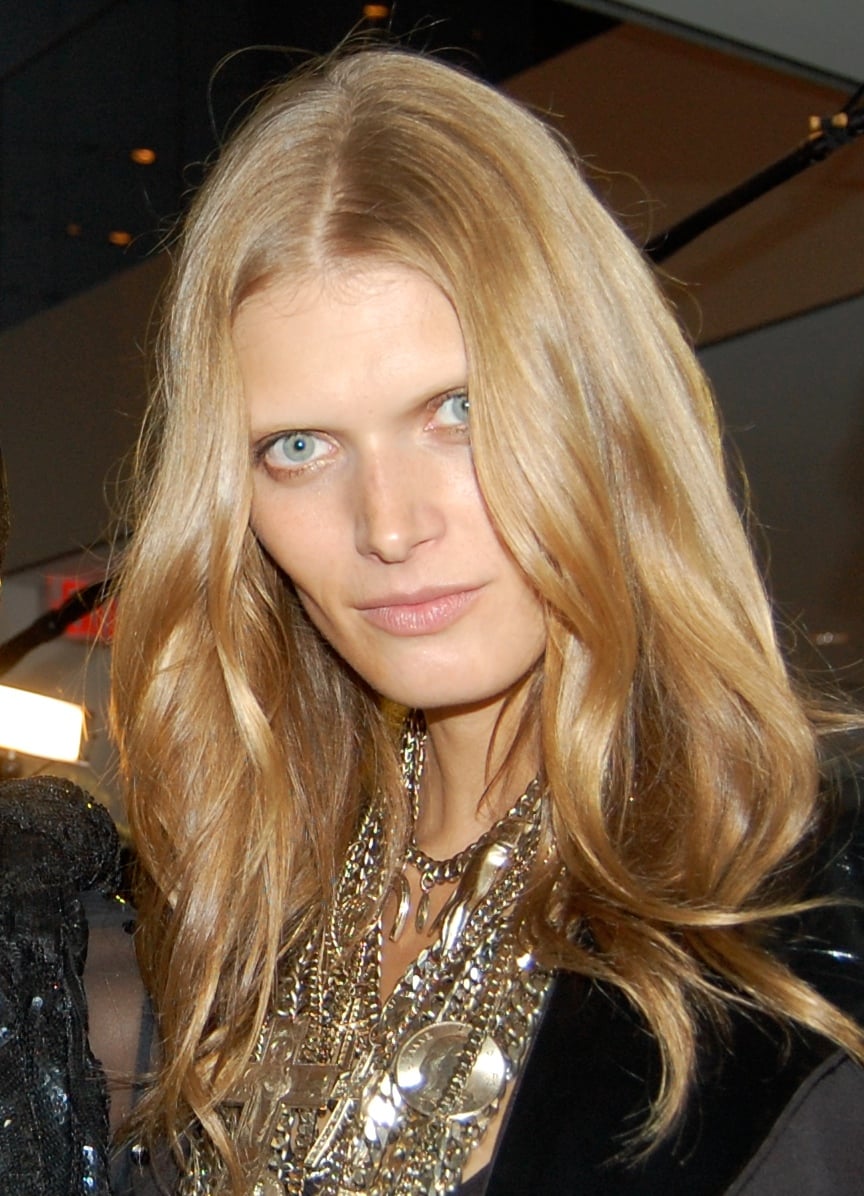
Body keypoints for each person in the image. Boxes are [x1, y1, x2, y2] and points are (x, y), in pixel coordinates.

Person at [110, 48, 864, 1195]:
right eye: (298, 447)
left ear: (600, 414)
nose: (389, 523)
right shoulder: (251, 907)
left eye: (458, 409)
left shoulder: (797, 916)